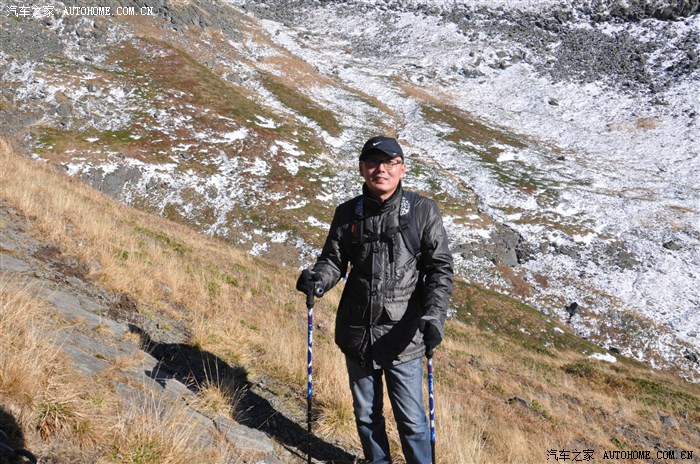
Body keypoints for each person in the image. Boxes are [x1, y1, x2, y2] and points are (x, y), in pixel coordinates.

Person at [296, 135, 453, 464]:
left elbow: (439, 270)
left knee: (412, 422)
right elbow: (333, 261)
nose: (380, 169)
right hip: (357, 334)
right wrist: (318, 280)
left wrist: (434, 317)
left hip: (404, 337)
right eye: (372, 163)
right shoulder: (347, 214)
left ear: (402, 169)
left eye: (389, 163)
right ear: (361, 169)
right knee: (366, 415)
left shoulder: (422, 211)